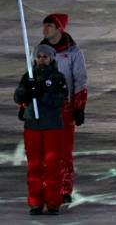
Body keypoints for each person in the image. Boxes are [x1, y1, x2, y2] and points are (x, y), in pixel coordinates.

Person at [14, 44, 68, 215]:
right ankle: (35, 202)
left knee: (52, 165)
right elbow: (17, 96)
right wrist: (27, 91)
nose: (42, 59)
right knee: (34, 165)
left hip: (52, 126)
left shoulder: (58, 77)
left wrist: (42, 94)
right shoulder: (28, 76)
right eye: (39, 56)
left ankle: (53, 202)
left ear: (51, 58)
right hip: (33, 126)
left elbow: (60, 100)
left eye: (45, 56)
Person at [39, 14, 87, 204]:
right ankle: (47, 185)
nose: (45, 30)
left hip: (64, 108)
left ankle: (65, 187)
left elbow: (80, 79)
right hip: (44, 108)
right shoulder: (40, 51)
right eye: (44, 26)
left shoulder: (73, 52)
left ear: (59, 28)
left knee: (64, 149)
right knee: (44, 150)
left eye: (49, 26)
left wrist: (79, 106)